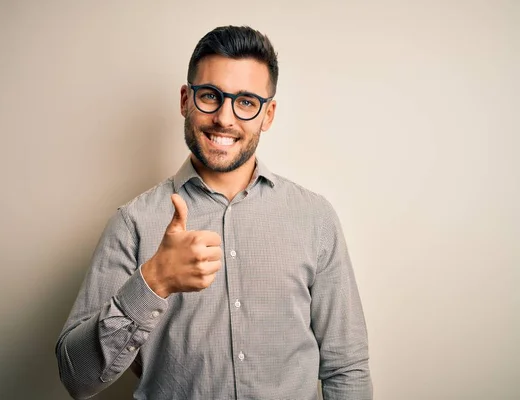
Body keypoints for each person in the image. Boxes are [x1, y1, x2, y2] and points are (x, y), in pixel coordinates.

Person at [55, 25, 372, 400]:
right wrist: (153, 281)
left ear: (267, 115)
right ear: (185, 101)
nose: (224, 118)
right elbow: (77, 379)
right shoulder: (133, 223)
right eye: (210, 96)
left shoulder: (315, 218)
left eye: (246, 102)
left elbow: (346, 367)